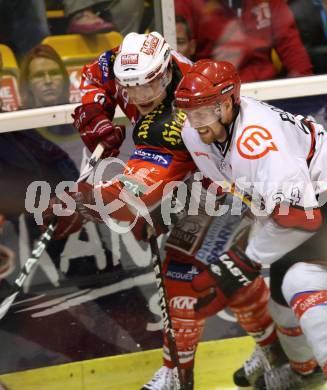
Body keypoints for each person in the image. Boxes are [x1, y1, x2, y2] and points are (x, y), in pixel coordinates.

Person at [41, 31, 284, 389]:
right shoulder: (131, 60)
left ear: (168, 73)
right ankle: (279, 353)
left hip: (230, 188)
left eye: (149, 87)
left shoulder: (176, 117)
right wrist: (95, 113)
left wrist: (84, 202)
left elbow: (130, 197)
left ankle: (177, 375)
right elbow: (94, 74)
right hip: (196, 182)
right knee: (230, 282)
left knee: (180, 277)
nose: (139, 96)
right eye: (130, 86)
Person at [174, 59, 327, 389]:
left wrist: (242, 261)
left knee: (301, 278)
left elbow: (301, 218)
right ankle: (303, 369)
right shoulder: (197, 131)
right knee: (280, 303)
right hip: (296, 207)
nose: (195, 123)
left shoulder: (257, 139)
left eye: (203, 113)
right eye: (189, 112)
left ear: (227, 104)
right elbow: (225, 182)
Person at [174, 0, 313, 83]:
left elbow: (294, 53)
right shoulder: (188, 4)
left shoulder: (268, 2)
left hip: (266, 91)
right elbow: (178, 56)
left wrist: (306, 95)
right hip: (213, 97)